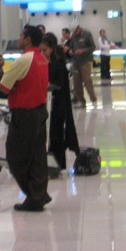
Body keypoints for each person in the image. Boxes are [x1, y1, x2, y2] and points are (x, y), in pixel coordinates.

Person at [0, 25, 51, 212]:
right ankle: (39, 195)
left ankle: (35, 196)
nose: (18, 38)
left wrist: (15, 87)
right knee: (38, 157)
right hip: (40, 111)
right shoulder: (42, 59)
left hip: (24, 114)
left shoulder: (24, 60)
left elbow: (4, 85)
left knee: (15, 156)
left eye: (21, 35)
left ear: (28, 39)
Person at [40, 33, 80, 170]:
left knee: (56, 133)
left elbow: (60, 83)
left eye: (45, 50)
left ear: (51, 48)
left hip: (59, 103)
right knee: (51, 133)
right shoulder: (47, 62)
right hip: (51, 102)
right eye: (41, 50)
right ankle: (52, 162)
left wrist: (49, 86)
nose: (43, 52)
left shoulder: (58, 63)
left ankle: (57, 163)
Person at [69, 23, 97, 108]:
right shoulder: (73, 36)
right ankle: (81, 101)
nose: (75, 32)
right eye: (74, 31)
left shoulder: (87, 34)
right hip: (76, 61)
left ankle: (93, 100)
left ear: (79, 28)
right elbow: (71, 47)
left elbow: (93, 47)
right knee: (76, 82)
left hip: (85, 61)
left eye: (76, 30)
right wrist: (71, 51)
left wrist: (83, 51)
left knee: (87, 80)